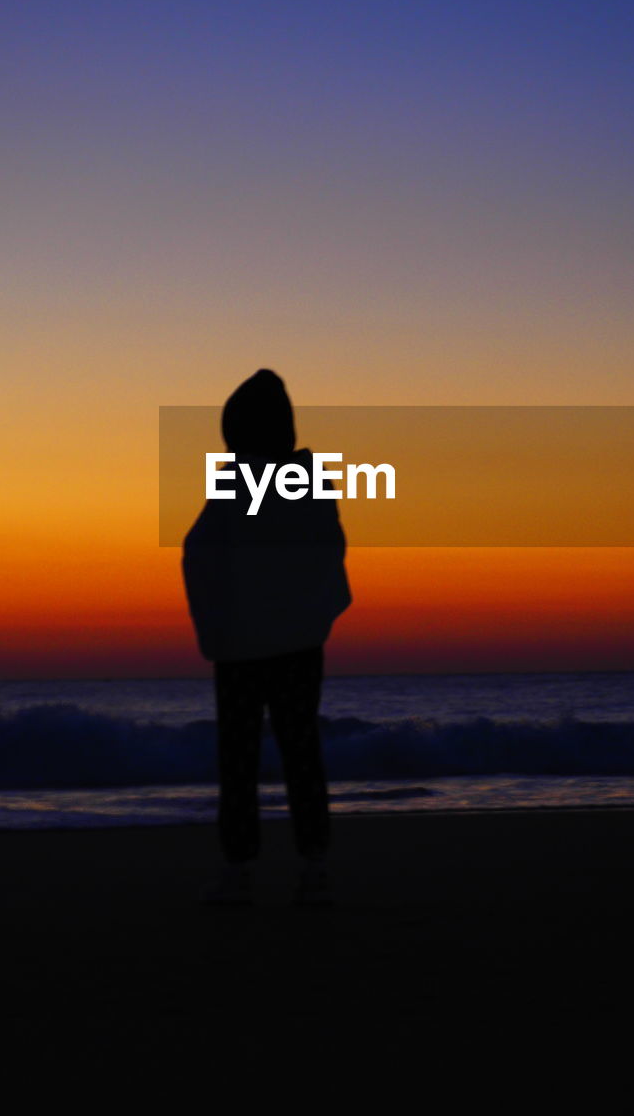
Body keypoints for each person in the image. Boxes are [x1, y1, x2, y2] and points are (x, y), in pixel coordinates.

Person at [182, 369, 351, 905]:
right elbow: (328, 557)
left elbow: (204, 555)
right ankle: (312, 866)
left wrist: (220, 626)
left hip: (247, 645)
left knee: (241, 757)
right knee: (298, 752)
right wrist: (314, 615)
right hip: (291, 641)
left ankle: (244, 870)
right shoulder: (304, 483)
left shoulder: (246, 485)